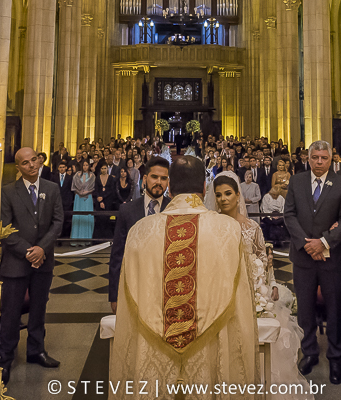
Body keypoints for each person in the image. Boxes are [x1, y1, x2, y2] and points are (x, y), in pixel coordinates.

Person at [110, 155, 257, 399]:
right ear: (204, 188)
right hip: (209, 348)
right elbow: (241, 303)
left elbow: (129, 302)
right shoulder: (228, 230)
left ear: (170, 186)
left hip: (153, 348)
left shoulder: (140, 231)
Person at [284, 140, 341, 386]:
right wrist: (306, 244)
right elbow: (289, 214)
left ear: (330, 160)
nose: (319, 162)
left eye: (323, 158)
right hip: (303, 257)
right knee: (304, 308)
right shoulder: (297, 181)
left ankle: (336, 357)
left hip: (332, 259)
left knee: (335, 309)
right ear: (308, 158)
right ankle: (310, 352)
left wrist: (324, 242)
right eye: (315, 157)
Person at [0, 147, 64, 382]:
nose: (32, 165)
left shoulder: (52, 188)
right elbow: (5, 226)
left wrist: (42, 249)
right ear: (19, 168)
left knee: (38, 309)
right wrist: (28, 251)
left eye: (34, 159)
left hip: (43, 261)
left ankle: (36, 350)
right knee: (11, 312)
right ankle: (5, 358)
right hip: (16, 261)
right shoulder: (8, 192)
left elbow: (57, 222)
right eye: (26, 163)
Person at [108, 157, 171, 314]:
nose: (159, 182)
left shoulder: (173, 208)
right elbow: (117, 255)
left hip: (165, 288)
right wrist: (114, 295)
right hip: (135, 285)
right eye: (154, 177)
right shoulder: (127, 211)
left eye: (164, 178)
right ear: (145, 179)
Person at [261, 169, 290, 247]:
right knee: (269, 223)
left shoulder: (281, 198)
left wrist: (278, 217)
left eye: (276, 195)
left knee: (282, 223)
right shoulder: (266, 197)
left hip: (279, 216)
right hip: (268, 216)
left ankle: (281, 241)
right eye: (274, 195)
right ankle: (270, 240)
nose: (275, 197)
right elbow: (264, 209)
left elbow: (283, 209)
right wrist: (271, 217)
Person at [71, 160, 95, 246]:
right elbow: (73, 187)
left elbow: (93, 187)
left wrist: (86, 192)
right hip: (78, 198)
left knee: (86, 216)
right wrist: (79, 192)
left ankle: (86, 240)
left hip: (88, 198)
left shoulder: (92, 175)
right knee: (78, 216)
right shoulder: (77, 175)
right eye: (84, 165)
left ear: (89, 166)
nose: (85, 167)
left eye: (86, 165)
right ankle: (76, 240)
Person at [94, 160, 119, 239]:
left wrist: (103, 197)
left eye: (105, 168)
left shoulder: (111, 178)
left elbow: (111, 190)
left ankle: (106, 237)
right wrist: (99, 199)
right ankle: (98, 238)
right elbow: (96, 189)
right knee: (99, 218)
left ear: (107, 169)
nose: (103, 170)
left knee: (106, 218)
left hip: (108, 200)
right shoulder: (97, 177)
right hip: (99, 200)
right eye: (102, 168)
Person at [55, 160, 75, 239]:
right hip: (57, 202)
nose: (62, 169)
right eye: (60, 167)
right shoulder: (54, 177)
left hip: (67, 202)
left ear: (66, 168)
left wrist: (70, 201)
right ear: (58, 168)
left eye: (63, 167)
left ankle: (64, 236)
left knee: (66, 220)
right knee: (58, 220)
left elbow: (71, 190)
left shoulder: (70, 178)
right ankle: (58, 237)